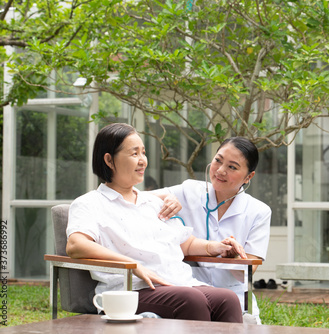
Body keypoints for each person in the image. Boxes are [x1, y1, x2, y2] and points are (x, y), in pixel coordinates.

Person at [66, 123, 246, 322]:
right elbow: (75, 245)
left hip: (177, 283)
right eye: (134, 154)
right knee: (191, 299)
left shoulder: (153, 203)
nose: (143, 160)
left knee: (227, 298)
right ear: (109, 160)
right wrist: (130, 264)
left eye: (143, 152)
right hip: (133, 288)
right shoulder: (89, 203)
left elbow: (184, 244)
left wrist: (218, 247)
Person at [153, 137, 271, 323]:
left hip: (234, 298)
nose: (221, 170)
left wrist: (233, 256)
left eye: (232, 167)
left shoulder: (258, 212)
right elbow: (138, 199)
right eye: (218, 160)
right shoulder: (189, 191)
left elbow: (247, 272)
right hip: (189, 293)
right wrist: (168, 199)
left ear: (249, 177)